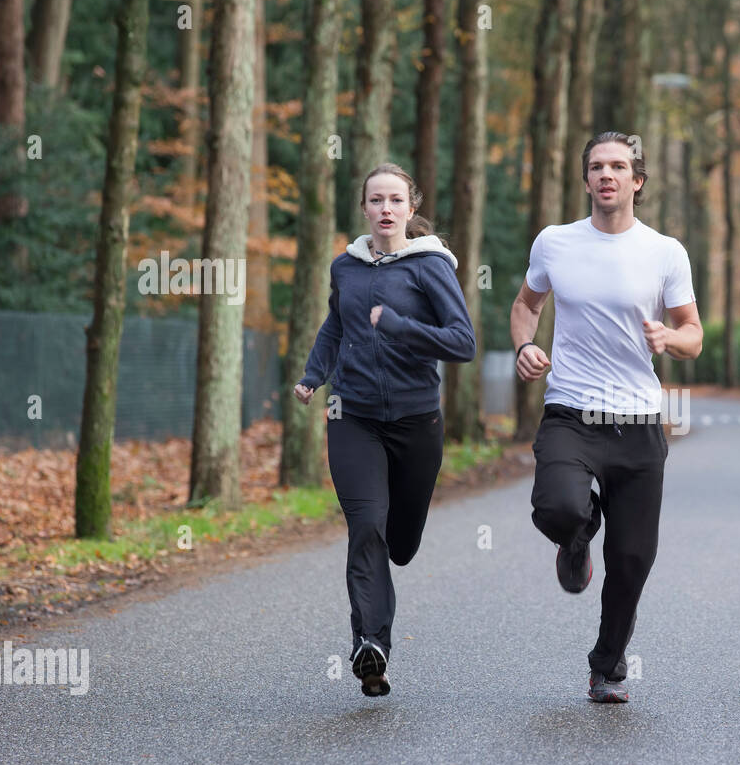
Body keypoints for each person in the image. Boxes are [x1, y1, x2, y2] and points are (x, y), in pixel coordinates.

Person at [511, 131, 703, 704]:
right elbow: (526, 304)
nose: (607, 175)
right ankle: (575, 537)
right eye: (596, 166)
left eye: (619, 166)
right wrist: (525, 345)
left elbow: (694, 335)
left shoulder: (665, 251)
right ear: (587, 179)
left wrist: (669, 337)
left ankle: (607, 667)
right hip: (570, 409)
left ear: (636, 181)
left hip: (640, 420)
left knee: (634, 556)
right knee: (557, 507)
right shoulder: (555, 243)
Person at [293, 163, 475, 697]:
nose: (386, 209)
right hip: (353, 416)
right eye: (376, 200)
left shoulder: (430, 266)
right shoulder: (344, 268)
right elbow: (335, 324)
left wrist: (397, 326)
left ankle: (385, 595)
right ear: (365, 208)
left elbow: (462, 341)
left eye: (396, 200)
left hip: (418, 421)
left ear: (410, 208)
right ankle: (370, 646)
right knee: (366, 526)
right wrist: (313, 375)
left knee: (401, 543)